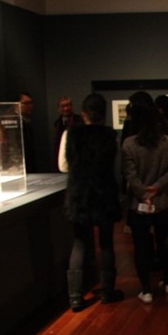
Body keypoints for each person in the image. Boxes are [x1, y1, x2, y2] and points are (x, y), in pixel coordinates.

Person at [58, 93, 124, 311]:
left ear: (83, 113)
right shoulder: (109, 136)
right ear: (103, 114)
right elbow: (115, 167)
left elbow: (63, 166)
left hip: (80, 194)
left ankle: (75, 297)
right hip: (104, 193)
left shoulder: (71, 134)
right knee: (106, 243)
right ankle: (107, 292)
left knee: (79, 242)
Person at [122, 98, 168, 302]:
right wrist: (157, 187)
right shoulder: (166, 142)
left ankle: (146, 289)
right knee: (165, 243)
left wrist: (143, 193)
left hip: (139, 204)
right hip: (163, 201)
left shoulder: (129, 144)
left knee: (141, 247)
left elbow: (130, 175)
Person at [53, 96, 83, 170]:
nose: (66, 108)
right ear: (58, 108)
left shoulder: (79, 120)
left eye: (68, 105)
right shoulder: (57, 122)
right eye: (63, 106)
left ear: (71, 106)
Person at [18, 92, 37, 173]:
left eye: (30, 103)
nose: (30, 106)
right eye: (26, 103)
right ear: (17, 105)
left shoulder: (26, 121)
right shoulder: (15, 122)